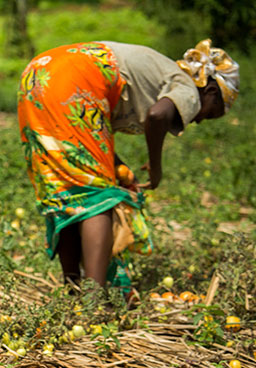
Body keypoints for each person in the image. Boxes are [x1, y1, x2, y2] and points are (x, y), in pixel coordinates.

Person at [17, 39, 238, 297]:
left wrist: (116, 165)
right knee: (97, 198)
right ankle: (93, 301)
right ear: (211, 91)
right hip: (77, 79)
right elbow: (158, 115)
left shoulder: (166, 72)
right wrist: (156, 168)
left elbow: (93, 133)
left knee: (68, 190)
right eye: (212, 113)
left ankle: (73, 292)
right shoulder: (188, 88)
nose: (200, 120)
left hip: (39, 74)